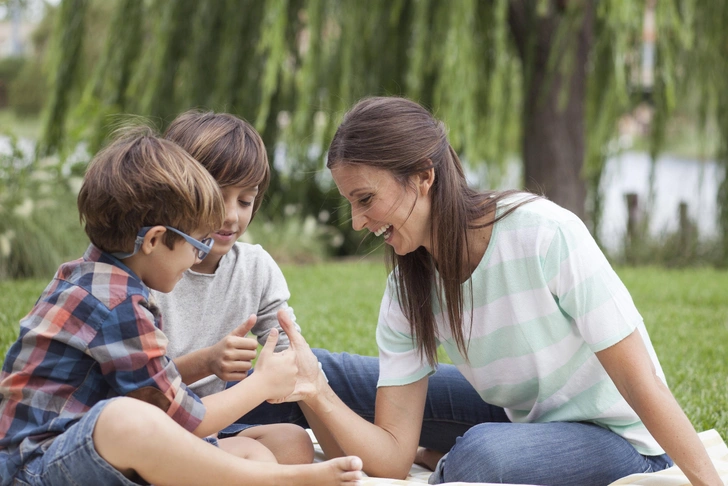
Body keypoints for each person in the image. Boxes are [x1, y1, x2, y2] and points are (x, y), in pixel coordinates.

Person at [274, 96, 723, 486]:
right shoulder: (408, 287)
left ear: (422, 177)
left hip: (619, 437)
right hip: (522, 414)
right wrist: (316, 391)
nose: (357, 223)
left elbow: (637, 381)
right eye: (350, 202)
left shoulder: (545, 234)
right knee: (323, 370)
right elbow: (391, 458)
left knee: (482, 455)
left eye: (365, 199)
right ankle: (209, 433)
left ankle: (442, 461)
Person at [0, 128, 363, 486]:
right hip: (37, 468)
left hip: (93, 456)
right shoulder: (114, 303)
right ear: (155, 239)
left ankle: (267, 475)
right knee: (123, 419)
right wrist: (262, 383)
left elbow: (157, 396)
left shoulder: (100, 281)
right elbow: (186, 419)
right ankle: (282, 481)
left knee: (279, 445)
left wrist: (211, 364)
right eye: (198, 244)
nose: (197, 258)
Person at [156, 109, 498, 462]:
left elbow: (299, 364)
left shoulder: (254, 269)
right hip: (151, 418)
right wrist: (206, 362)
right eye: (217, 197)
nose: (231, 215)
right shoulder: (151, 270)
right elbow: (128, 383)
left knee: (293, 443)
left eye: (245, 201)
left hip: (211, 419)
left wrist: (345, 462)